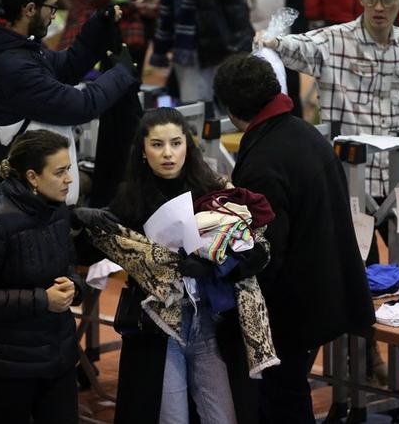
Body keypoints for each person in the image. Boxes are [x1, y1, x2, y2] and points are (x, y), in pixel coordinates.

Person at [213, 53, 374, 423]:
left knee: (283, 399)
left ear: (233, 111)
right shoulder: (305, 134)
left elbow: (268, 252)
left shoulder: (263, 160)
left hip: (290, 308)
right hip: (326, 288)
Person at [99, 107, 274, 424]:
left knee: (223, 416)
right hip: (160, 328)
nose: (167, 153)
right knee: (172, 418)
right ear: (143, 149)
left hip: (211, 321)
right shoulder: (127, 201)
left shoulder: (215, 187)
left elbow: (258, 245)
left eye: (176, 143)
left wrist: (225, 266)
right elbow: (109, 251)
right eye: (157, 144)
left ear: (187, 147)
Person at [0, 0, 139, 204]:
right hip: (37, 203)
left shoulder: (19, 47)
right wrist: (122, 72)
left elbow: (67, 66)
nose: (53, 15)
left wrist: (97, 26)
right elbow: (80, 106)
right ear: (30, 9)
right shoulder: (12, 66)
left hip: (45, 193)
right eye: (52, 7)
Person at [256, 0, 399, 200]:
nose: (379, 7)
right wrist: (272, 41)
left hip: (397, 176)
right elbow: (299, 46)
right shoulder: (335, 40)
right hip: (348, 179)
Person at [0, 129, 92, 423]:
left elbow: (69, 265)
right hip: (6, 365)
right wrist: (42, 299)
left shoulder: (56, 208)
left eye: (69, 169)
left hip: (57, 355)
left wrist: (75, 287)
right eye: (60, 172)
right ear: (32, 177)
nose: (69, 179)